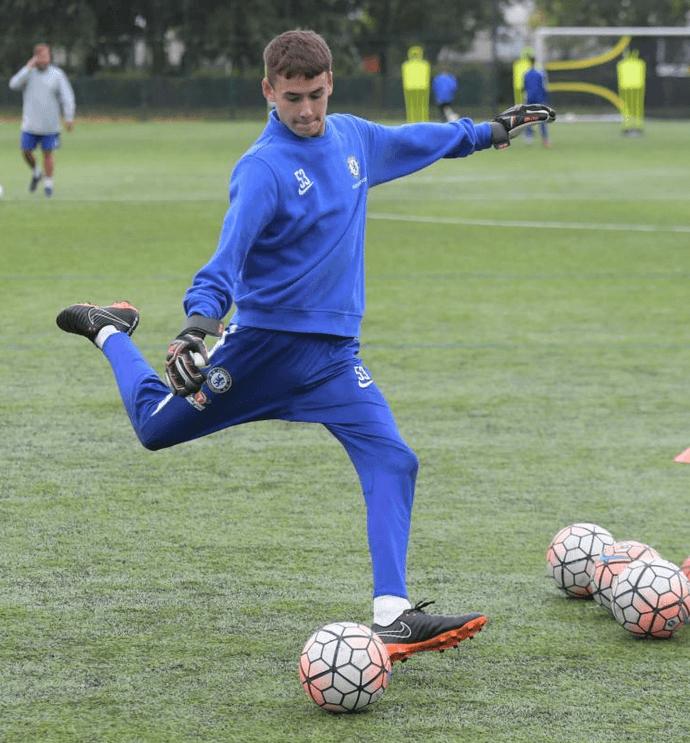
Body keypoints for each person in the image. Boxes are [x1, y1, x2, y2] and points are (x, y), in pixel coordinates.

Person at [56, 30, 554, 664]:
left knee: (395, 459)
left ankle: (392, 614)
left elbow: (414, 140)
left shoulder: (352, 138)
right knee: (154, 431)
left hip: (333, 358)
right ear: (269, 91)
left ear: (330, 87)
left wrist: (488, 132)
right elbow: (224, 262)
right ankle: (107, 329)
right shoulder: (262, 169)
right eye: (293, 98)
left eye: (316, 96)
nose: (307, 112)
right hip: (263, 351)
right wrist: (195, 327)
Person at [8, 43, 75, 197]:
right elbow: (13, 84)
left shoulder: (57, 75)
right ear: (35, 57)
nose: (44, 59)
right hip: (30, 124)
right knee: (25, 152)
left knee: (48, 154)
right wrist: (27, 68)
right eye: (41, 56)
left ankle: (48, 185)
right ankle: (36, 172)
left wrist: (69, 116)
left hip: (50, 125)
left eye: (47, 56)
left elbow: (67, 96)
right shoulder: (29, 73)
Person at [522, 56, 551, 148]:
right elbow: (544, 86)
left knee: (528, 118)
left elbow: (524, 88)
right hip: (539, 98)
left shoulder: (526, 73)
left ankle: (529, 138)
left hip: (530, 98)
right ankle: (545, 139)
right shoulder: (541, 72)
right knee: (542, 118)